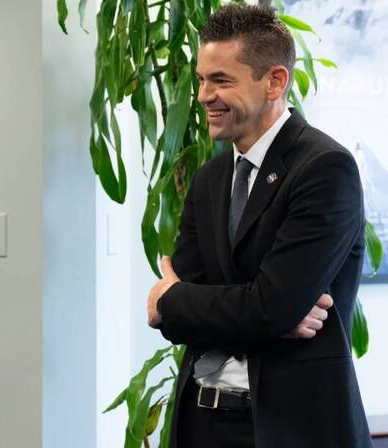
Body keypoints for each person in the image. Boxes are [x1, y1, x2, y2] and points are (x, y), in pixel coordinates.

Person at [146, 5, 372, 448]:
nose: (204, 95)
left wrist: (170, 299)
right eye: (201, 79)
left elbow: (271, 307)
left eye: (221, 80)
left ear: (274, 81)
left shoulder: (325, 168)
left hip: (287, 430)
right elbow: (180, 324)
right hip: (201, 424)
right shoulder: (210, 178)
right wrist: (261, 315)